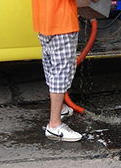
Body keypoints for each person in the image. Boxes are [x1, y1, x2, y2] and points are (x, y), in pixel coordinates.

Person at [32, 0, 97, 142]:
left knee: (51, 65)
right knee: (61, 72)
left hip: (44, 19)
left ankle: (60, 108)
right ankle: (54, 125)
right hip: (62, 22)